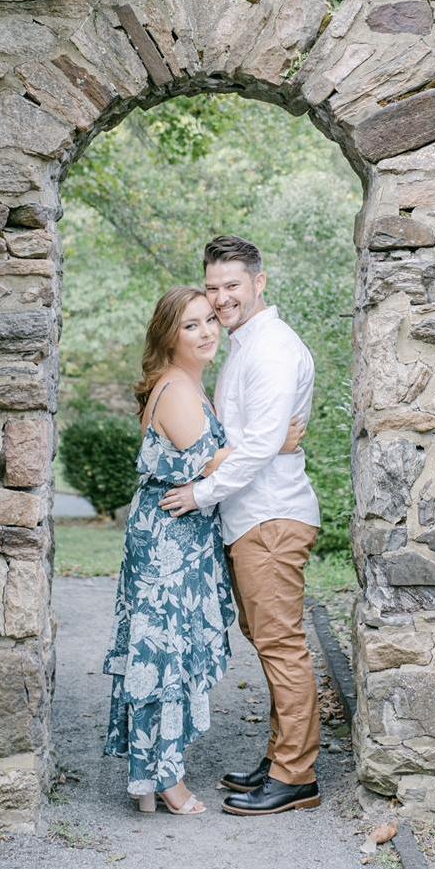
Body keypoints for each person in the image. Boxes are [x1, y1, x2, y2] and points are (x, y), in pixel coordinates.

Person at [103, 286, 303, 816]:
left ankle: (152, 777)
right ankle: (165, 780)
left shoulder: (188, 385)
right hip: (167, 541)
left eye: (210, 319)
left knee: (166, 654)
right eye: (191, 325)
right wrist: (277, 442)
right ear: (168, 335)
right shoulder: (176, 389)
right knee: (163, 656)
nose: (207, 331)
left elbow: (211, 461)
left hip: (180, 536)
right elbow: (210, 463)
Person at [161, 236, 323, 817]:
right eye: (213, 287)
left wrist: (200, 493)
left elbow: (255, 447)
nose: (221, 297)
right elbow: (254, 438)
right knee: (270, 641)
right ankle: (282, 757)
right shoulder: (245, 346)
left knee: (281, 645)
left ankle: (295, 775)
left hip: (271, 517)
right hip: (253, 518)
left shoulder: (272, 348)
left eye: (232, 285)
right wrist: (269, 442)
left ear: (260, 282)